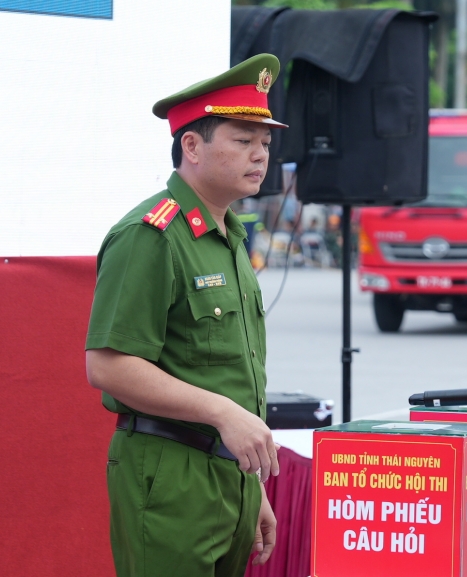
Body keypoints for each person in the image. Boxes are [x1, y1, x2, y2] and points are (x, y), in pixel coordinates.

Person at [85, 54, 288, 577]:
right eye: (243, 140)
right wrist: (223, 414)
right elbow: (108, 367)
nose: (259, 155)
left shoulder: (230, 237)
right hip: (170, 474)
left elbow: (225, 373)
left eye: (265, 143)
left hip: (229, 476)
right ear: (192, 146)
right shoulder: (150, 235)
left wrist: (251, 490)